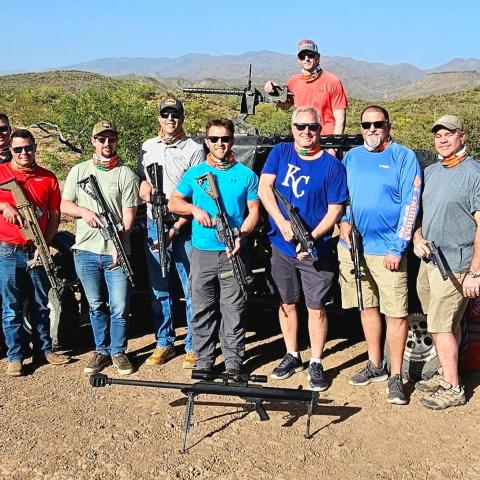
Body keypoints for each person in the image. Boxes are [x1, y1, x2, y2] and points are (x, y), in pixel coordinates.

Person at [258, 106, 348, 391]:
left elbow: (335, 210)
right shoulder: (281, 152)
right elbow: (265, 188)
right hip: (281, 245)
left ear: (320, 130)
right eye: (300, 126)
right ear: (292, 127)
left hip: (314, 250)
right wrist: (282, 222)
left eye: (312, 127)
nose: (306, 132)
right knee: (287, 303)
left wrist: (312, 237)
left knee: (316, 307)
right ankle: (292, 353)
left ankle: (317, 361)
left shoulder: (332, 166)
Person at [338, 105, 422, 405]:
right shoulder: (352, 157)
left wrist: (398, 247)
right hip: (354, 249)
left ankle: (396, 375)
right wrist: (344, 221)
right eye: (365, 125)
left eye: (377, 124)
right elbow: (342, 196)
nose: (371, 129)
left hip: (388, 251)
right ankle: (375, 365)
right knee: (367, 307)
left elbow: (411, 204)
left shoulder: (403, 157)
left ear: (388, 125)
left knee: (396, 313)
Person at [168, 118, 260, 374]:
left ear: (232, 141)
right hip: (202, 252)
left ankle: (232, 363)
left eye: (225, 139)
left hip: (234, 251)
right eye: (214, 139)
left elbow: (254, 212)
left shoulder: (246, 175)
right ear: (206, 141)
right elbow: (174, 202)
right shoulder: (196, 174)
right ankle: (205, 361)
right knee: (202, 308)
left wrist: (241, 235)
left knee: (233, 310)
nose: (220, 144)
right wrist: (194, 209)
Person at [61, 121, 140, 376]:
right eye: (101, 139)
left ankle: (118, 351)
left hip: (116, 253)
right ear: (93, 142)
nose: (107, 144)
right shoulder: (79, 171)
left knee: (119, 306)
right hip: (85, 250)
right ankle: (101, 350)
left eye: (111, 139)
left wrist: (120, 241)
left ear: (116, 141)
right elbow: (65, 205)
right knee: (95, 305)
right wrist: (84, 211)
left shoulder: (126, 174)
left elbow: (129, 215)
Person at [413, 114, 480, 410]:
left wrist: (475, 271)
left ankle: (454, 387)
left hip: (457, 264)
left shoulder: (474, 173)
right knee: (444, 322)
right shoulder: (433, 171)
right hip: (430, 261)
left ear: (462, 136)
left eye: (449, 134)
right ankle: (445, 372)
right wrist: (417, 237)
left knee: (440, 325)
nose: (442, 139)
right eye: (438, 135)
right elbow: (427, 216)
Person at [137, 98, 204, 369]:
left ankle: (193, 345)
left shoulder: (194, 149)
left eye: (175, 115)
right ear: (159, 118)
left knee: (191, 288)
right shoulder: (147, 147)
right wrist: (143, 188)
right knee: (159, 288)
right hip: (155, 223)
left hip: (184, 227)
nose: (170, 119)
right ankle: (164, 341)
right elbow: (142, 176)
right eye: (165, 114)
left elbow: (197, 195)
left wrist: (177, 226)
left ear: (182, 118)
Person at [0, 129, 71, 376]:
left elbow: (54, 215)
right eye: (18, 149)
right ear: (10, 150)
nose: (23, 153)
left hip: (37, 250)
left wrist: (45, 244)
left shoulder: (48, 178)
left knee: (42, 304)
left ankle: (45, 350)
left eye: (28, 148)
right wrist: (4, 206)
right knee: (12, 306)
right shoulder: (2, 173)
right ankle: (15, 356)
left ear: (35, 148)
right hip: (8, 251)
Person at [264, 39, 348, 135]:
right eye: (302, 56)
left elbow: (340, 119)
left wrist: (333, 147)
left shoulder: (332, 81)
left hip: (326, 139)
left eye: (310, 55)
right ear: (298, 60)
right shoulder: (293, 81)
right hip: (303, 138)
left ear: (318, 57)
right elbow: (285, 105)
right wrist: (273, 91)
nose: (306, 59)